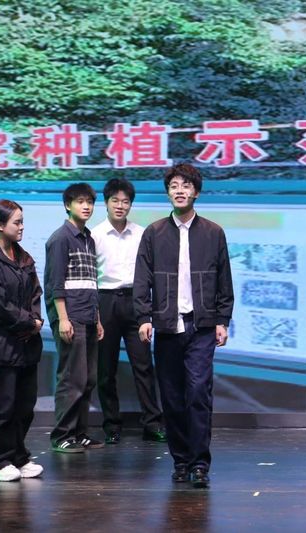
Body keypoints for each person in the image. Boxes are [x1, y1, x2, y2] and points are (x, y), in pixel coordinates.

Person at [134, 163, 234, 488]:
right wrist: (144, 317)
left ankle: (200, 463)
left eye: (186, 185)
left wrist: (222, 319)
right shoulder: (154, 233)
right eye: (174, 185)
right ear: (168, 193)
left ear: (197, 192)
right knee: (172, 397)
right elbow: (142, 280)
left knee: (199, 393)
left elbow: (224, 279)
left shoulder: (213, 232)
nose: (180, 190)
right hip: (166, 326)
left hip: (201, 326)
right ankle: (181, 460)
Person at [0, 199, 44, 481]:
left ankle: (17, 456)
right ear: (0, 226)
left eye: (22, 221)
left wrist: (36, 320)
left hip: (26, 344)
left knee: (24, 407)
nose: (22, 227)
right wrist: (28, 322)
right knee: (2, 408)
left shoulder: (23, 257)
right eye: (17, 222)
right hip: (1, 346)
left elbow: (35, 293)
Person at [92, 178, 166, 445]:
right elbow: (90, 278)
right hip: (106, 301)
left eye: (125, 201)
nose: (120, 206)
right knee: (105, 369)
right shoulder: (95, 235)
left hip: (136, 301)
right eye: (115, 200)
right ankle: (112, 424)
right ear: (106, 202)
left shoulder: (142, 233)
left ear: (131, 205)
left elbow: (151, 272)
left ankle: (152, 423)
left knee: (144, 365)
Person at [45, 183, 105, 453]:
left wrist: (98, 318)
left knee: (88, 379)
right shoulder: (61, 238)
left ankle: (80, 434)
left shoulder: (88, 238)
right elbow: (55, 283)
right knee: (72, 379)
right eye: (80, 201)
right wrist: (63, 319)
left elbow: (92, 282)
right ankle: (62, 435)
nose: (86, 206)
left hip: (88, 315)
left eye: (89, 202)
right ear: (67, 205)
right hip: (71, 317)